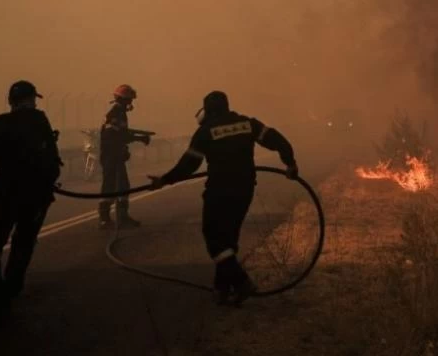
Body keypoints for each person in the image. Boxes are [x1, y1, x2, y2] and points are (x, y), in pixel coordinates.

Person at [149, 91, 298, 306]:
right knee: (228, 239)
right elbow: (279, 141)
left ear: (207, 111)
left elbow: (188, 165)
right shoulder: (248, 124)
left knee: (214, 240)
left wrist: (164, 180)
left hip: (219, 192)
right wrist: (290, 164)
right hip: (244, 190)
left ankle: (241, 282)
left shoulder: (205, 132)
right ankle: (222, 289)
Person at [0, 80, 62, 319]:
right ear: (32, 99)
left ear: (10, 101)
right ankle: (9, 291)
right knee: (23, 243)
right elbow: (23, 137)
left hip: (7, 195)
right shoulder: (41, 121)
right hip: (37, 197)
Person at [98, 84, 151, 229]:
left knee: (120, 185)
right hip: (111, 157)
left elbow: (121, 134)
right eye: (129, 100)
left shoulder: (119, 112)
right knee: (112, 186)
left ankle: (118, 217)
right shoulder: (115, 113)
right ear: (123, 100)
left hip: (115, 156)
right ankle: (107, 218)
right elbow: (115, 136)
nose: (131, 103)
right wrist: (140, 138)